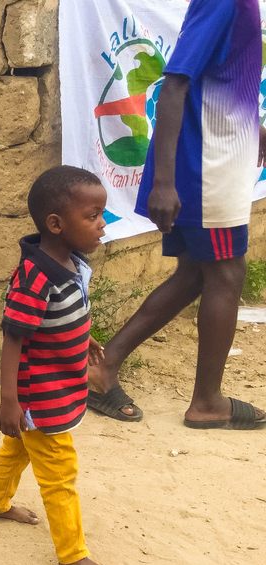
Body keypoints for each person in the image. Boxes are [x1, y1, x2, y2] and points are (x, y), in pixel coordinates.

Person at [87, 0, 266, 429]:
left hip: (216, 157)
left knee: (193, 274)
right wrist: (164, 182)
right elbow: (174, 84)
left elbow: (217, 76)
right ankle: (207, 402)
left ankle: (104, 366)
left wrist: (252, 122)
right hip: (208, 167)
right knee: (226, 273)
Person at [0, 167, 117, 565]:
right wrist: (9, 400)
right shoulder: (35, 278)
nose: (102, 224)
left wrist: (84, 337)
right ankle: (72, 556)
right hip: (40, 395)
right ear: (56, 224)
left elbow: (61, 317)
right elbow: (14, 337)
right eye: (92, 216)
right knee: (59, 474)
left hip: (59, 383)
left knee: (18, 447)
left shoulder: (71, 262)